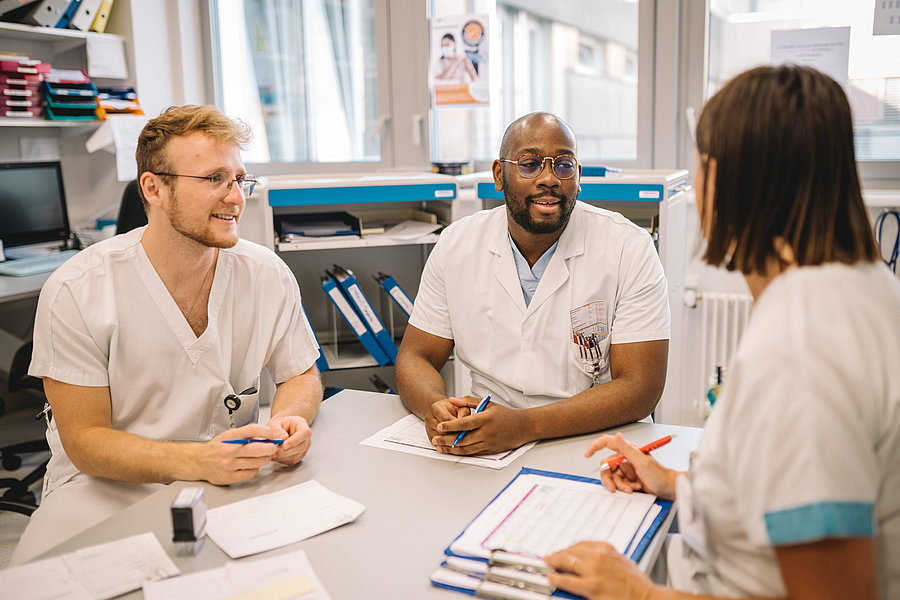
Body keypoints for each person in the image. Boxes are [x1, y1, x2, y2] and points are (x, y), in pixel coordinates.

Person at [544, 65, 900, 600]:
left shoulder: (805, 345)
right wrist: (677, 486)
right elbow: (784, 486)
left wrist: (637, 593)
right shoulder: (856, 285)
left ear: (725, 178)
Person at [11, 105, 323, 564]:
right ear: (154, 188)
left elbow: (301, 375)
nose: (236, 197)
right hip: (107, 488)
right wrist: (196, 461)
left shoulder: (265, 273)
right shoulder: (78, 289)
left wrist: (289, 419)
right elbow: (85, 441)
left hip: (234, 474)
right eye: (214, 179)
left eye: (240, 179)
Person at [395, 112, 670, 456]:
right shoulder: (457, 245)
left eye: (564, 165)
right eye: (530, 164)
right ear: (499, 174)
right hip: (487, 436)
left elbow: (641, 387)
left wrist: (524, 426)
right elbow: (415, 355)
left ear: (579, 176)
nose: (549, 179)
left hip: (596, 438)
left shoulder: (628, 247)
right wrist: (434, 408)